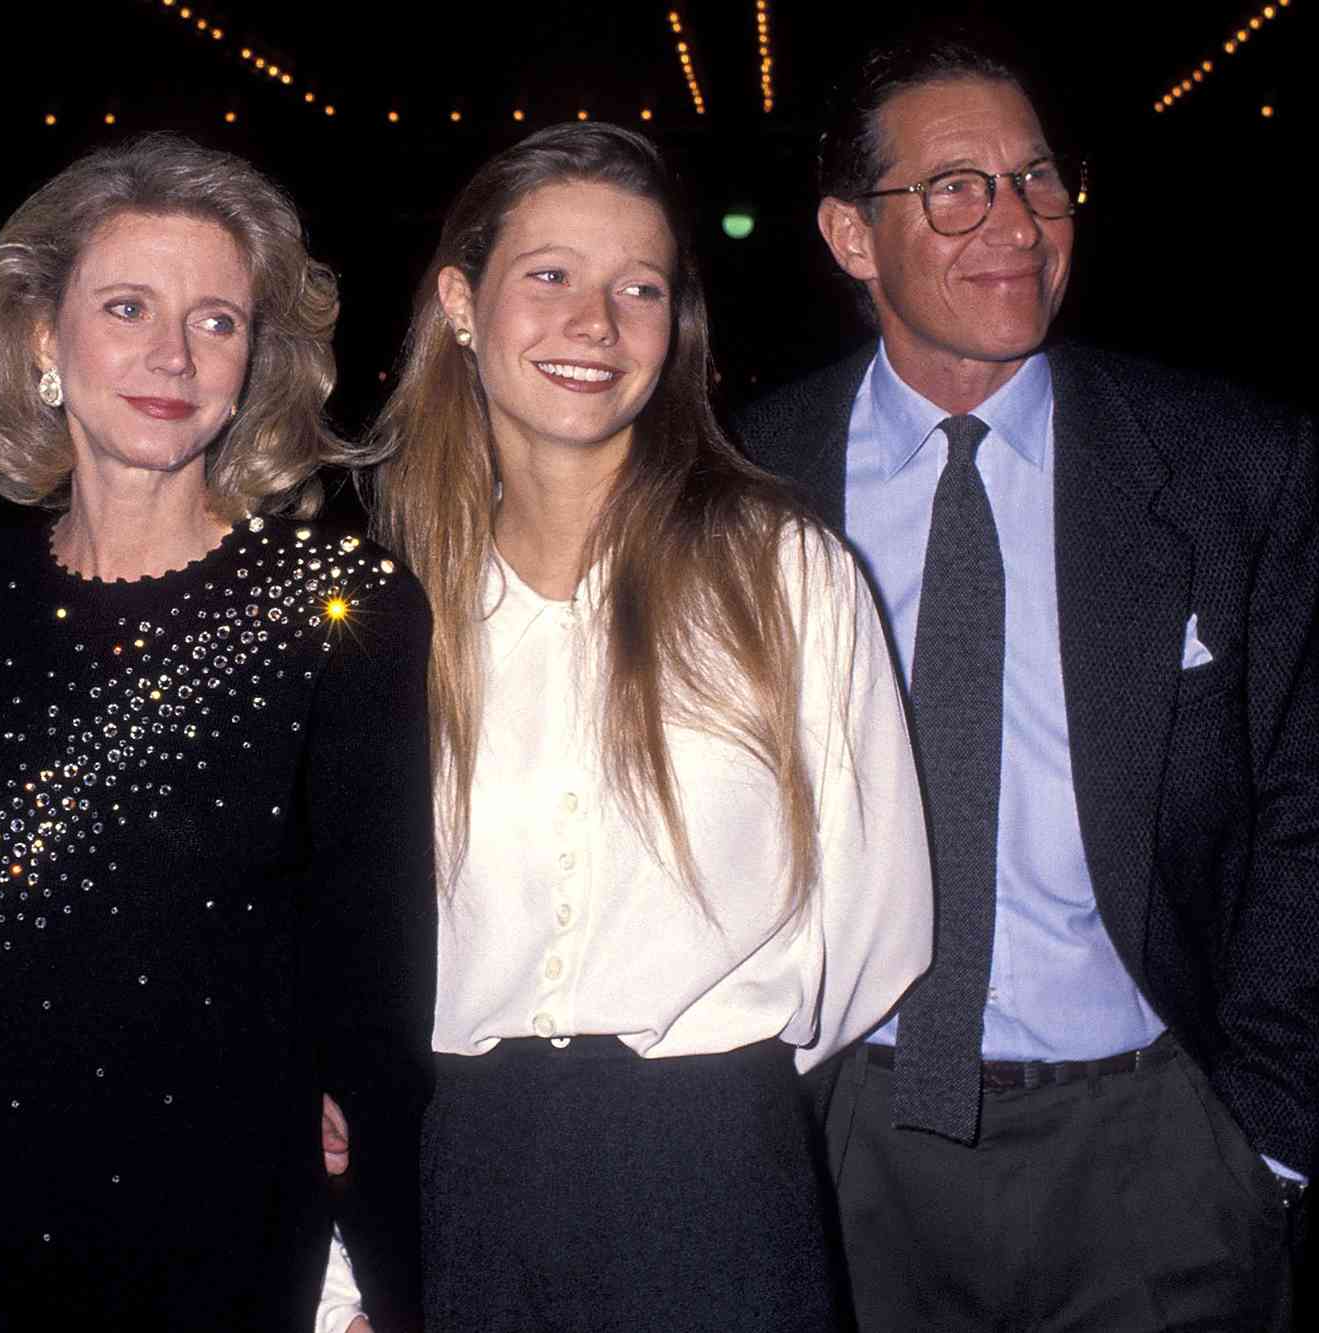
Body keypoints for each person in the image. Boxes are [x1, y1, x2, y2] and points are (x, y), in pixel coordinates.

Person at [738, 28, 1319, 1330]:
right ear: (854, 237)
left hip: (1159, 1148)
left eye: (1037, 180)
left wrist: (1265, 1146)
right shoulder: (750, 481)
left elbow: (1317, 815)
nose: (1017, 225)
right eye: (955, 188)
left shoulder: (1226, 467)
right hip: (852, 1141)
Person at [348, 121, 932, 1332]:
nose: (596, 323)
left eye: (639, 288)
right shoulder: (386, 601)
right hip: (453, 1174)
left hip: (715, 1178)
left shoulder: (786, 576)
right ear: (462, 301)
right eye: (548, 275)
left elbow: (878, 927)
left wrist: (709, 1087)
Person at [0, 134, 435, 1332]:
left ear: (255, 362)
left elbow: (382, 986)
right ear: (42, 338)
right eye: (127, 306)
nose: (172, 357)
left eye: (218, 322)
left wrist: (366, 1264)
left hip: (224, 1230)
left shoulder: (340, 605)